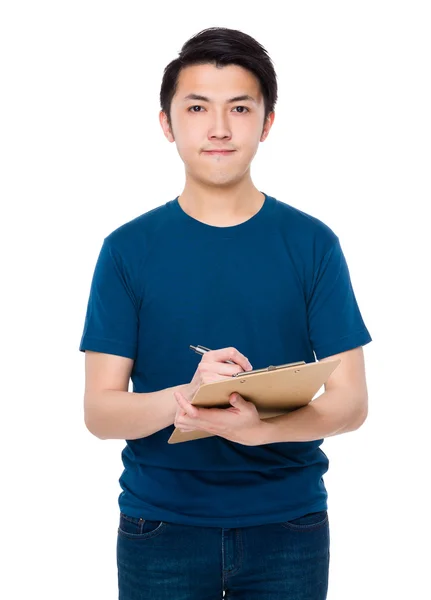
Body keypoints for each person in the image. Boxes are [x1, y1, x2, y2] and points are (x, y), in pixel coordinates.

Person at [79, 26, 372, 600]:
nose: (218, 128)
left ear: (266, 122)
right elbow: (99, 411)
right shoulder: (127, 249)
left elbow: (352, 402)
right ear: (167, 122)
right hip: (159, 526)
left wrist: (262, 430)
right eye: (197, 107)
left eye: (239, 108)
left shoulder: (312, 244)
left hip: (288, 527)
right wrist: (185, 398)